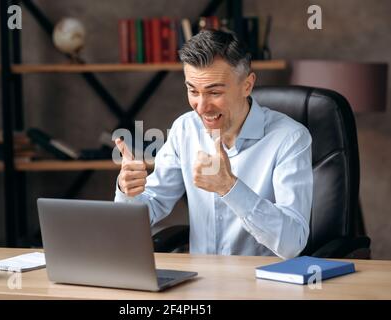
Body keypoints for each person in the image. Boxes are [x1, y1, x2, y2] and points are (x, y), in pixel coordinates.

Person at [114, 29, 313, 259]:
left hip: (263, 283)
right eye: (193, 91)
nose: (201, 106)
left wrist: (229, 188)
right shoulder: (185, 129)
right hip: (200, 282)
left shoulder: (290, 139)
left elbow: (292, 244)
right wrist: (128, 192)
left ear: (247, 85)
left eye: (214, 92)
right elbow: (153, 204)